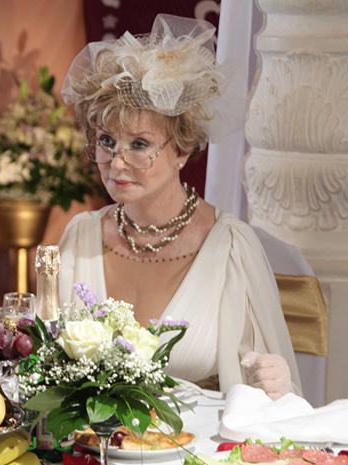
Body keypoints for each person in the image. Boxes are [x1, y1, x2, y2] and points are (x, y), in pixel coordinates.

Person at [57, 14, 299, 399]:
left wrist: (274, 384)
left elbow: (267, 391)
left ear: (183, 150)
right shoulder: (80, 238)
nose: (117, 163)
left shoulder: (231, 249)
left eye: (139, 144)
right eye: (106, 141)